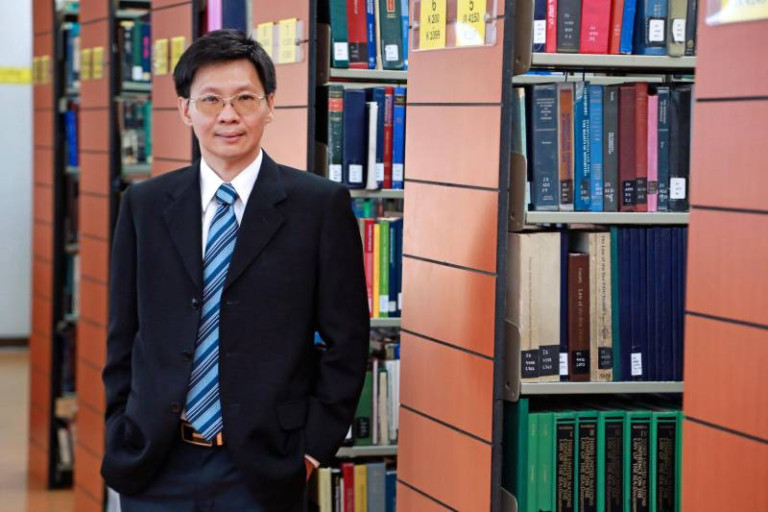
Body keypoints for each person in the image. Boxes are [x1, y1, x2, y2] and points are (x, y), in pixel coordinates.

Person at [100, 29, 370, 512]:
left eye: (245, 98)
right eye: (211, 100)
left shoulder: (318, 207)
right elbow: (124, 333)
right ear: (186, 110)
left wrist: (310, 450)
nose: (228, 115)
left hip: (265, 468)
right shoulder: (145, 205)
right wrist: (120, 427)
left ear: (270, 106)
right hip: (155, 461)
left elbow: (346, 341)